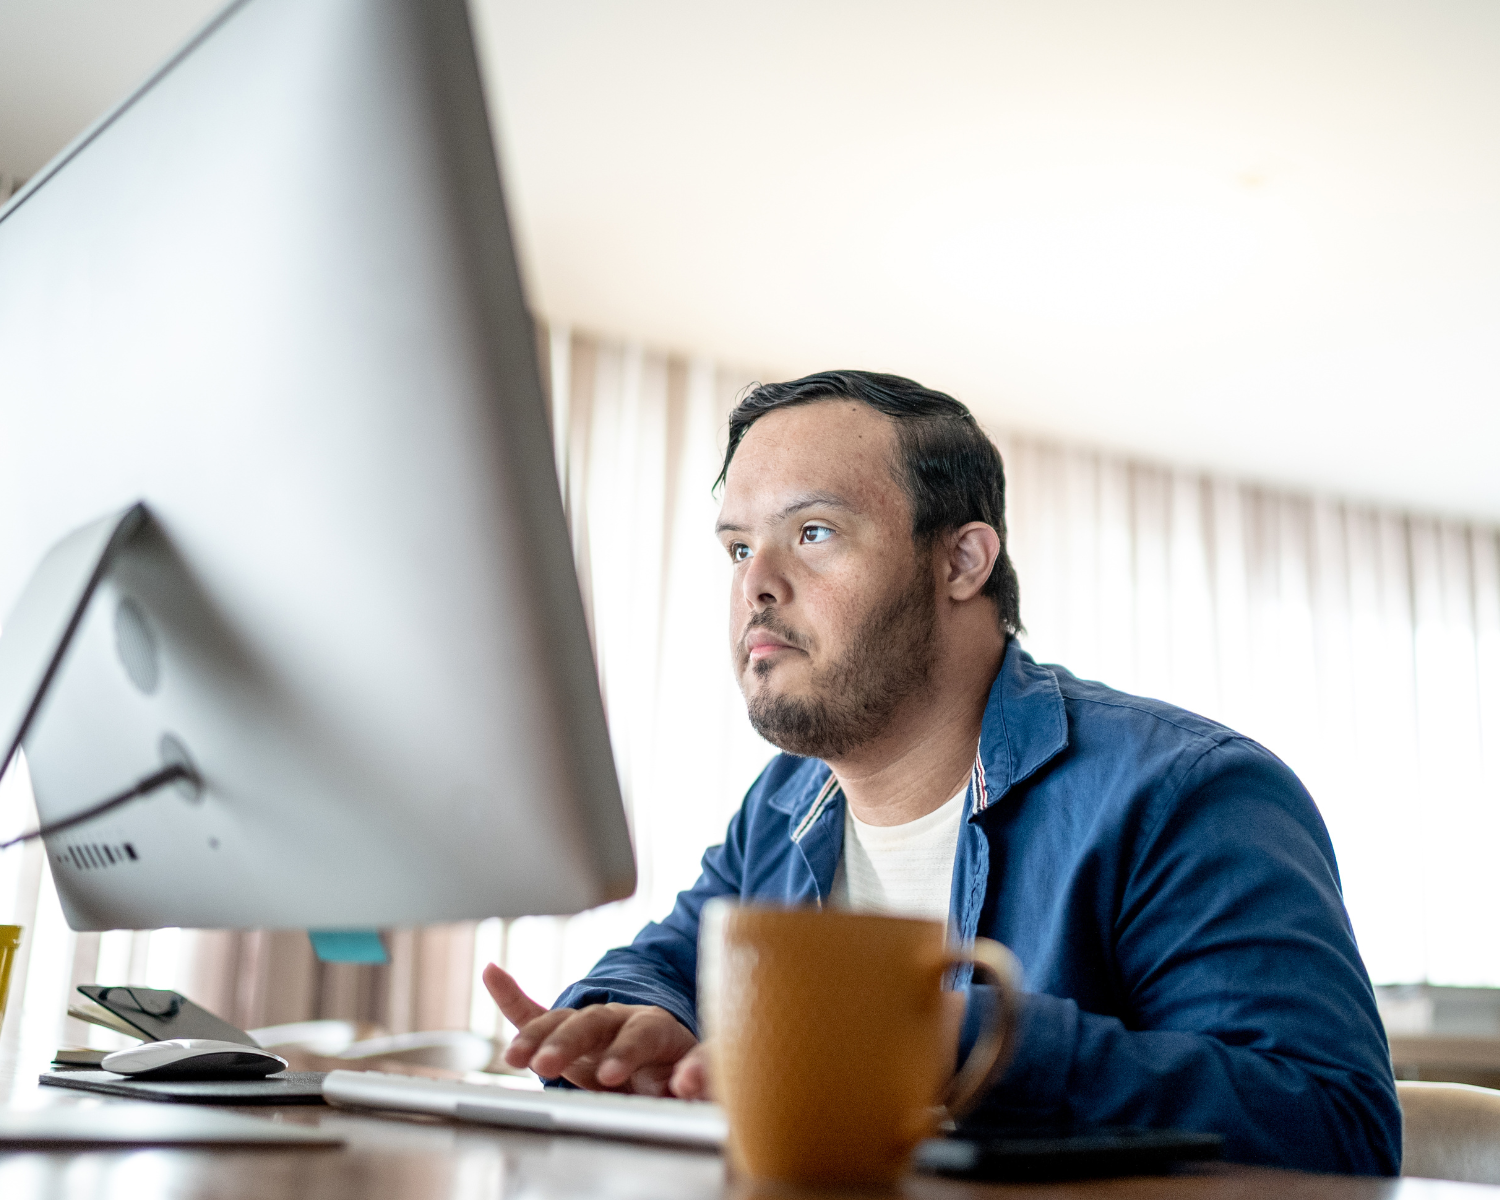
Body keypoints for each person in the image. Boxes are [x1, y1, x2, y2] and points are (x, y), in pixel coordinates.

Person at [483, 370, 1400, 1174]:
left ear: (962, 560)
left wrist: (952, 1045)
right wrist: (631, 1013)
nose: (754, 584)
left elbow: (1334, 1126)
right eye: (736, 546)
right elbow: (673, 961)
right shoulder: (788, 803)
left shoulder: (1184, 794)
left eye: (812, 533)